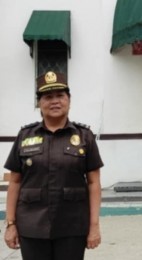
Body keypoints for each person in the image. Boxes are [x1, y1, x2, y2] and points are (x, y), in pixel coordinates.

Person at [3, 71, 104, 260]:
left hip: (72, 226)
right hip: (32, 226)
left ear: (69, 100)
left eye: (60, 96)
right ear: (39, 103)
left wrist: (94, 226)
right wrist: (10, 224)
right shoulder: (25, 136)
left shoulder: (84, 136)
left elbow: (94, 183)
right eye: (48, 97)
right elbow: (15, 182)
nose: (55, 101)